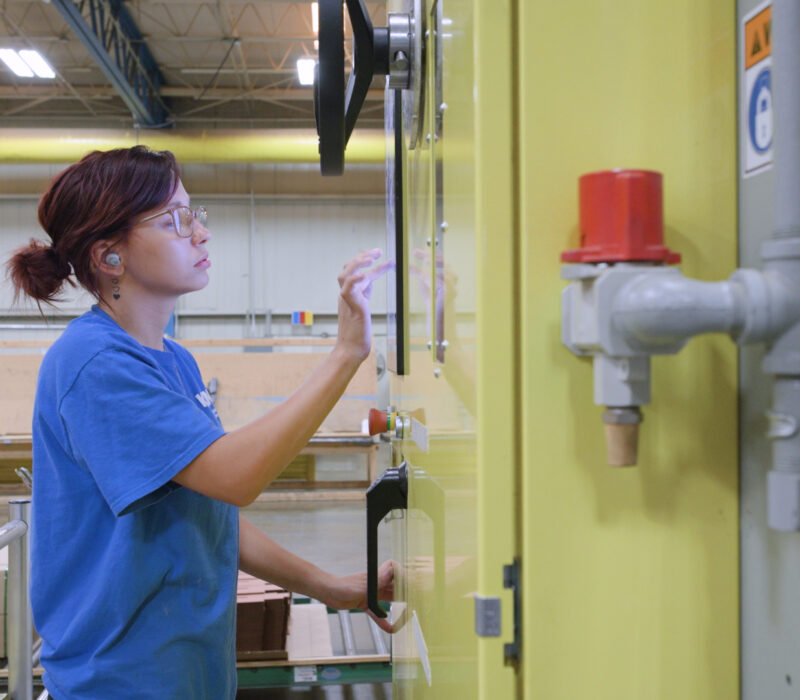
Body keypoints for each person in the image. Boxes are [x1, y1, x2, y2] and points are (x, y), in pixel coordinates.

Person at [6, 146, 394, 699]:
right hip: (121, 682)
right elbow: (236, 477)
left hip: (190, 674)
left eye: (196, 215)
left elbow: (207, 513)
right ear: (109, 256)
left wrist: (329, 586)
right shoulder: (94, 362)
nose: (201, 233)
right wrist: (345, 354)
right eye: (175, 220)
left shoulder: (173, 360)